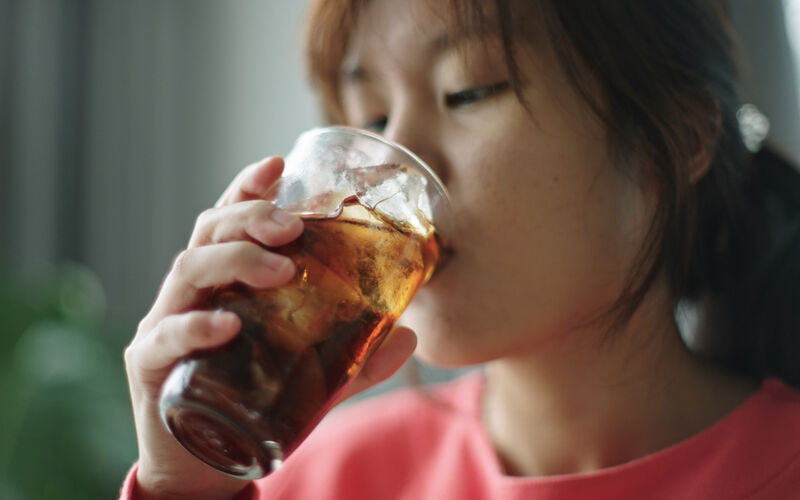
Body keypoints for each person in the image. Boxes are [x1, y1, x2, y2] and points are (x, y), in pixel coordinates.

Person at [120, 0, 800, 498]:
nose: (400, 156)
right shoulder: (321, 479)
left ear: (679, 140)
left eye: (468, 90)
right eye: (373, 117)